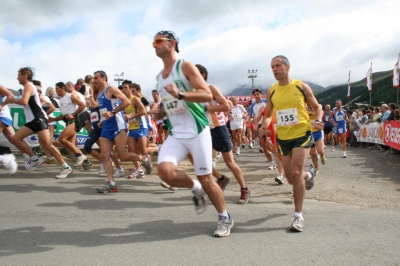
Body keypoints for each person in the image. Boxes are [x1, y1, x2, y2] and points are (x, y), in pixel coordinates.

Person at [152, 30, 233, 237]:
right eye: (153, 42)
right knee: (165, 173)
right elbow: (169, 105)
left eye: (159, 41)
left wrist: (180, 93)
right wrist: (160, 110)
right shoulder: (159, 77)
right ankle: (194, 187)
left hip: (197, 130)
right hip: (176, 134)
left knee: (207, 178)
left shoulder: (185, 66)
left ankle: (224, 217)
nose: (155, 45)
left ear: (172, 44)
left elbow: (206, 93)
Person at [260, 55, 322, 232]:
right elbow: (268, 115)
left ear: (288, 67)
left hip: (302, 134)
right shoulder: (271, 90)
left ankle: (298, 216)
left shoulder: (301, 86)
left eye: (278, 65)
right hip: (283, 137)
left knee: (295, 172)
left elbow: (317, 106)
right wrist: (264, 127)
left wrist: (318, 120)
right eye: (272, 67)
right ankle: (308, 176)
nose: (275, 69)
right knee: (290, 178)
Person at [195, 64, 250, 204]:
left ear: (202, 75)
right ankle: (220, 179)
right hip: (205, 130)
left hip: (219, 129)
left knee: (230, 162)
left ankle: (244, 189)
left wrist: (209, 108)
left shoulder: (211, 88)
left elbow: (226, 106)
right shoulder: (193, 93)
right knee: (202, 162)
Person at [5, 67, 73, 178]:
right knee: (16, 138)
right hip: (34, 120)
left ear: (25, 75)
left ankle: (65, 167)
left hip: (38, 119)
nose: (17, 78)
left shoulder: (29, 86)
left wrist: (10, 100)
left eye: (19, 75)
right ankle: (35, 158)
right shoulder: (28, 87)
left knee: (48, 144)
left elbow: (24, 101)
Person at [92, 70, 150, 193]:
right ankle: (111, 183)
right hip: (107, 127)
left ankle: (144, 159)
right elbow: (104, 111)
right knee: (104, 155)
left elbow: (126, 101)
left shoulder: (111, 89)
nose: (93, 80)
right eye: (93, 78)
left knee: (123, 156)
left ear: (103, 78)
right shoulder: (99, 94)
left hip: (118, 126)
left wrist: (112, 113)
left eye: (96, 78)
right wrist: (102, 120)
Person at [49, 82, 87, 166]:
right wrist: (53, 119)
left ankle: (80, 156)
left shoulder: (70, 96)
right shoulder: (60, 100)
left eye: (57, 89)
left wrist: (73, 114)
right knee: (71, 144)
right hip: (68, 122)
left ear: (63, 88)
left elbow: (82, 105)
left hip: (74, 121)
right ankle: (86, 162)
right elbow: (63, 115)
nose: (56, 91)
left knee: (62, 139)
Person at [0, 85, 18, 174]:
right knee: (14, 139)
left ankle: (6, 159)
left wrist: (2, 105)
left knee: (15, 139)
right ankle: (31, 157)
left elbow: (11, 95)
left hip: (2, 116)